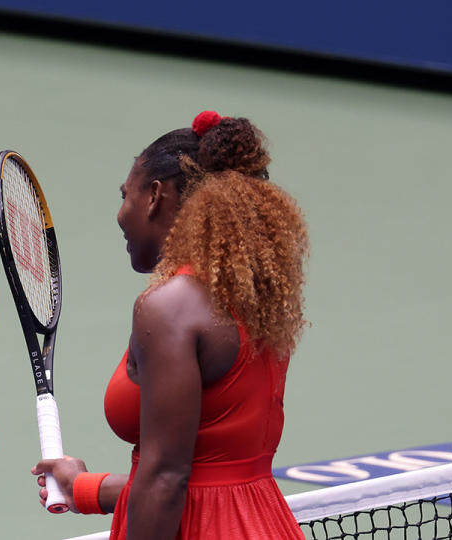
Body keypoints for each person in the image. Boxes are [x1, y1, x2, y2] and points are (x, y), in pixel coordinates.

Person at [32, 111, 308, 539]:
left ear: (155, 196)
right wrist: (83, 487)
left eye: (126, 195)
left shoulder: (169, 307)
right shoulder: (256, 298)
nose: (121, 214)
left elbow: (167, 479)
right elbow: (208, 477)